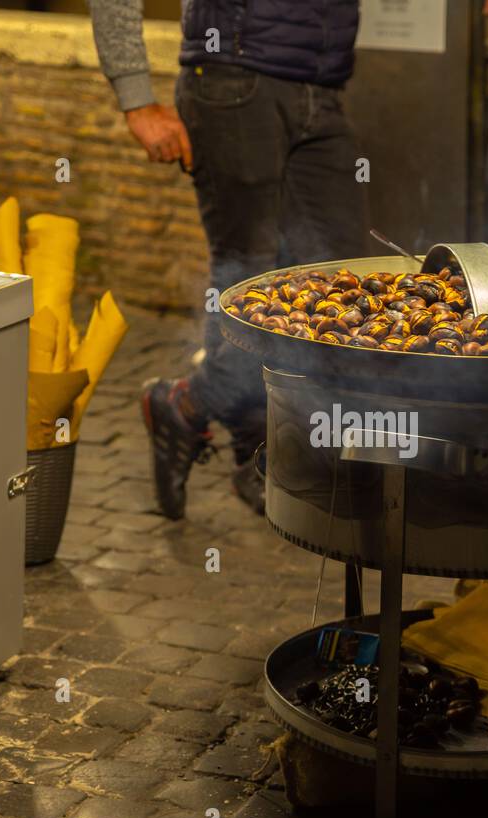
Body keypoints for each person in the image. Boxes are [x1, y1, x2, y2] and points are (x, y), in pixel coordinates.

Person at [88, 0, 368, 519]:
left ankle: (253, 446)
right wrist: (135, 98)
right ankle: (209, 418)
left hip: (322, 89)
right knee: (250, 286)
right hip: (233, 81)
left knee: (340, 286)